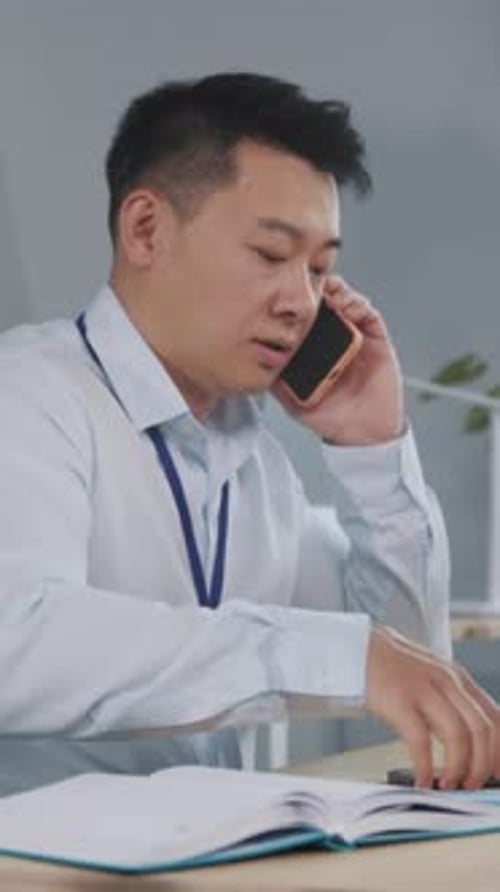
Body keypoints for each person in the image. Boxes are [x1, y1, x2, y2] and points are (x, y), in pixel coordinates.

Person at [0, 72, 497, 796]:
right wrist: (333, 656)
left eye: (321, 267)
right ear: (145, 229)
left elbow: (411, 665)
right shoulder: (27, 394)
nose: (301, 301)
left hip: (212, 862)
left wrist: (373, 449)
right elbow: (18, 637)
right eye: (271, 254)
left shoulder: (255, 461)